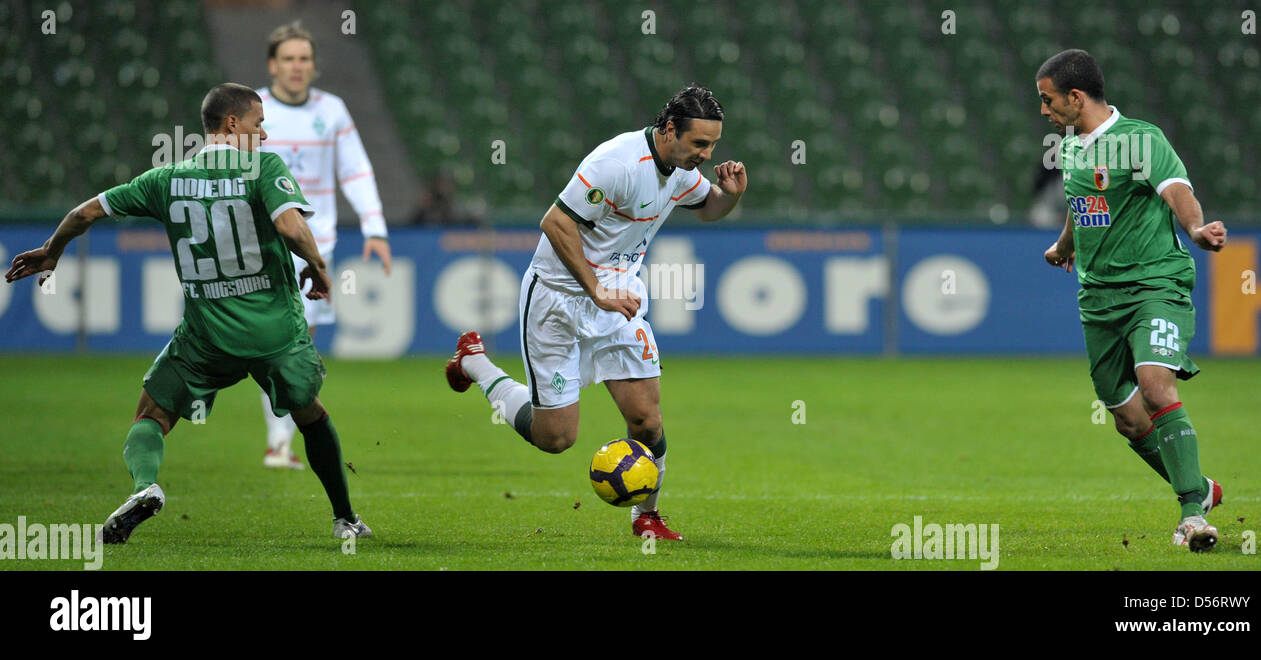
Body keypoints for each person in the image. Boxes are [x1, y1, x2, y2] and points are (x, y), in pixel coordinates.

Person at [5, 83, 372, 543]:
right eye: (259, 124)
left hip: (207, 336)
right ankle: (344, 518)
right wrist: (319, 267)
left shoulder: (165, 179)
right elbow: (289, 224)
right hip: (273, 331)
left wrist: (52, 251)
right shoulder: (263, 167)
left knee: (151, 416)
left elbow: (84, 212)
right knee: (311, 416)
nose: (264, 135)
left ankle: (147, 486)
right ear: (232, 123)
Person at [445, 86, 747, 541]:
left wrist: (731, 196)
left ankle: (646, 516)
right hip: (558, 299)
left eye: (713, 146)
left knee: (647, 418)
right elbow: (555, 222)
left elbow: (708, 208)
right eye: (699, 144)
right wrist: (596, 289)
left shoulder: (681, 169)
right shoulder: (618, 163)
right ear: (669, 130)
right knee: (555, 438)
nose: (706, 155)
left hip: (618, 304)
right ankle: (475, 363)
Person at [1038, 50, 1228, 552]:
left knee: (1155, 383)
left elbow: (1176, 188)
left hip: (1154, 286)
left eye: (1047, 99)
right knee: (1126, 416)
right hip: (1098, 297)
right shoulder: (1073, 144)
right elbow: (1084, 203)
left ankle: (1192, 516)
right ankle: (1202, 487)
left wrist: (1195, 228)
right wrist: (1066, 245)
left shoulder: (1140, 140)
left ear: (1075, 97)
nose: (1043, 110)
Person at [256, 21, 392, 469]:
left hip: (316, 246)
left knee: (300, 343)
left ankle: (279, 443)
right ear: (273, 65)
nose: (297, 67)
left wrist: (374, 228)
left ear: (314, 65)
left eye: (304, 59)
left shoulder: (331, 110)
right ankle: (278, 441)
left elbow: (355, 170)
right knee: (272, 341)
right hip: (263, 244)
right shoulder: (255, 111)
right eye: (288, 58)